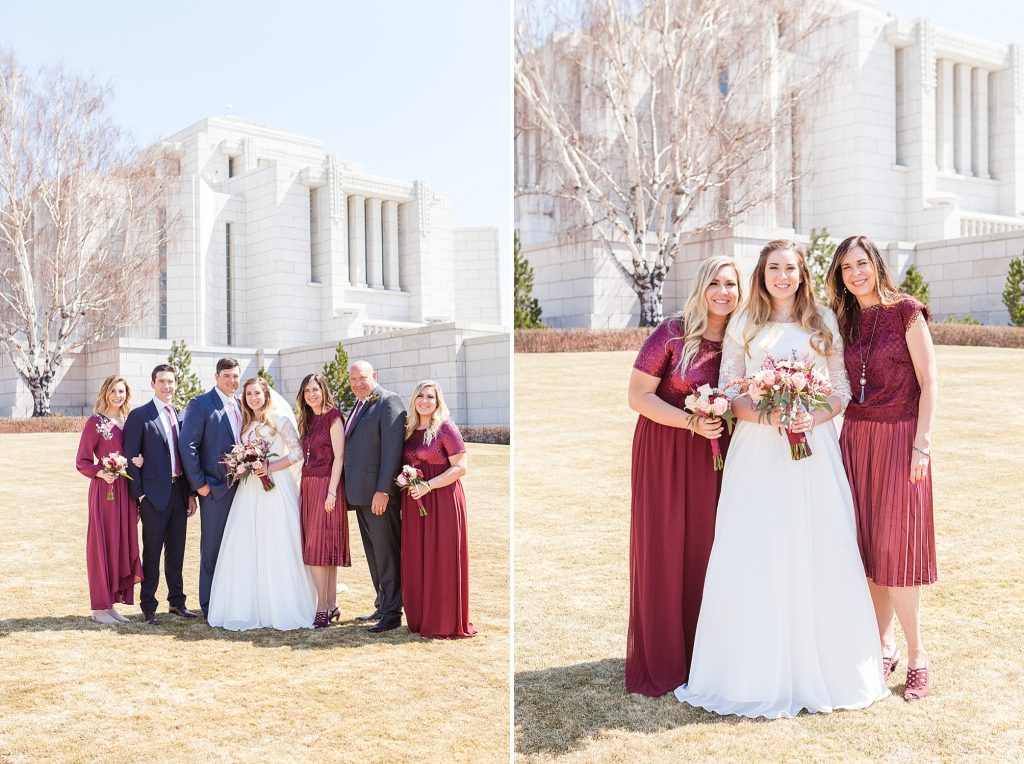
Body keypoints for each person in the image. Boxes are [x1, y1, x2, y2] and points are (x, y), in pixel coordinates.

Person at [675, 239, 889, 718]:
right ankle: (750, 670)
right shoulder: (743, 324)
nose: (783, 276)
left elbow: (839, 389)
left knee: (818, 544)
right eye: (774, 268)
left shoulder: (824, 322)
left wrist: (811, 418)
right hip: (756, 453)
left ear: (802, 273)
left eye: (791, 268)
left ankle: (824, 666)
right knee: (757, 545)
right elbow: (730, 388)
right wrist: (767, 416)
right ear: (762, 273)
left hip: (815, 450)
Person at [624, 255, 742, 696]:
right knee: (667, 546)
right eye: (715, 282)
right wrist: (690, 421)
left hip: (720, 453)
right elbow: (638, 396)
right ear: (701, 286)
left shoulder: (741, 338)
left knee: (710, 547)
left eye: (731, 284)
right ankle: (665, 656)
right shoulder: (672, 332)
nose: (723, 292)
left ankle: (706, 651)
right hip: (667, 450)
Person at [827, 235, 938, 701]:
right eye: (847, 267)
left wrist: (922, 445)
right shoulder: (844, 321)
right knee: (867, 549)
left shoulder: (905, 310)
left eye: (862, 263)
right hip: (855, 438)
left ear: (876, 264)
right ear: (840, 276)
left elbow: (930, 380)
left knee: (897, 554)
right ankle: (882, 644)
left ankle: (918, 657)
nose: (856, 273)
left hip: (900, 439)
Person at [207, 378, 317, 630]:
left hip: (276, 487)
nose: (253, 398)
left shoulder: (279, 418)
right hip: (250, 489)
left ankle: (280, 603)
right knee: (248, 542)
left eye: (257, 393)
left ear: (266, 394)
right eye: (248, 394)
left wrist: (269, 467)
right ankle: (248, 603)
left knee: (276, 541)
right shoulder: (248, 423)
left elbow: (297, 452)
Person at [123, 364, 198, 625]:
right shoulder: (139, 415)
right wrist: (140, 495)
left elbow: (184, 456)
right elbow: (130, 458)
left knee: (177, 552)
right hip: (153, 496)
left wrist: (189, 494)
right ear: (153, 383)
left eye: (171, 382)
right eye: (162, 381)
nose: (167, 386)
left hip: (179, 492)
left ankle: (177, 602)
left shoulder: (180, 414)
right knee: (152, 552)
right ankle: (148, 606)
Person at [401, 380, 475, 638]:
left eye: (429, 397)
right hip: (415, 504)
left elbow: (461, 467)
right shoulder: (409, 430)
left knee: (441, 557)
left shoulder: (445, 428)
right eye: (419, 396)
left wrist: (428, 486)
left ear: (437, 401)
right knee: (418, 557)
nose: (424, 401)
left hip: (442, 500)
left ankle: (443, 620)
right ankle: (421, 617)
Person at [342, 360, 406, 634]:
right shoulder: (357, 406)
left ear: (374, 376)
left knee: (386, 553)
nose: (358, 383)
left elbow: (392, 450)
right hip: (359, 495)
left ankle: (392, 613)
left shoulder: (389, 401)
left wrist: (383, 490)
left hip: (379, 495)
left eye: (363, 378)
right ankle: (381, 603)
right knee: (373, 553)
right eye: (353, 379)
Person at [75, 375, 143, 624]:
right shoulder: (95, 422)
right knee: (102, 545)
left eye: (122, 391)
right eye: (113, 390)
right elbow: (81, 461)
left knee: (121, 544)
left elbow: (135, 452)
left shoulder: (129, 421)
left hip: (126, 493)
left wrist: (138, 461)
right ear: (105, 393)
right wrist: (100, 472)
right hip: (105, 493)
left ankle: (111, 605)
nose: (118, 395)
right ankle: (99, 608)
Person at [179, 357, 243, 618]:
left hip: (243, 489)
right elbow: (188, 446)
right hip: (214, 489)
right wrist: (200, 486)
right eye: (226, 375)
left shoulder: (241, 404)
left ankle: (233, 598)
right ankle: (208, 603)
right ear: (217, 377)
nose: (232, 380)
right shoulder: (201, 404)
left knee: (238, 546)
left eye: (235, 376)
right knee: (212, 549)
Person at [295, 373, 350, 628]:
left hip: (327, 486)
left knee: (321, 547)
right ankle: (331, 604)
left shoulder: (333, 416)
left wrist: (331, 492)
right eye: (307, 391)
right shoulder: (306, 419)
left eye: (315, 389)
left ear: (323, 390)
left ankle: (321, 607)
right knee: (320, 547)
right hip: (308, 484)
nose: (311, 394)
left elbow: (339, 457)